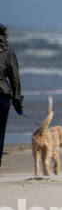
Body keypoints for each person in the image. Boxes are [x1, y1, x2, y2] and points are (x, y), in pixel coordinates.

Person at [0, 24, 23, 166]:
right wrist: (17, 101)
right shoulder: (7, 51)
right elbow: (15, 78)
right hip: (2, 95)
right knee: (0, 133)